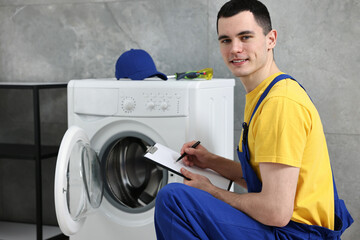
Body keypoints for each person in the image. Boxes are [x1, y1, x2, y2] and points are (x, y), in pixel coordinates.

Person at [154, 0, 353, 239]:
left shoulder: (280, 104)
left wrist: (212, 191)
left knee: (174, 200)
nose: (234, 48)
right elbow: (263, 179)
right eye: (226, 40)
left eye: (245, 37)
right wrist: (210, 161)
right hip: (285, 227)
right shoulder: (263, 93)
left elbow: (276, 212)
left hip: (295, 233)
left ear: (271, 39)